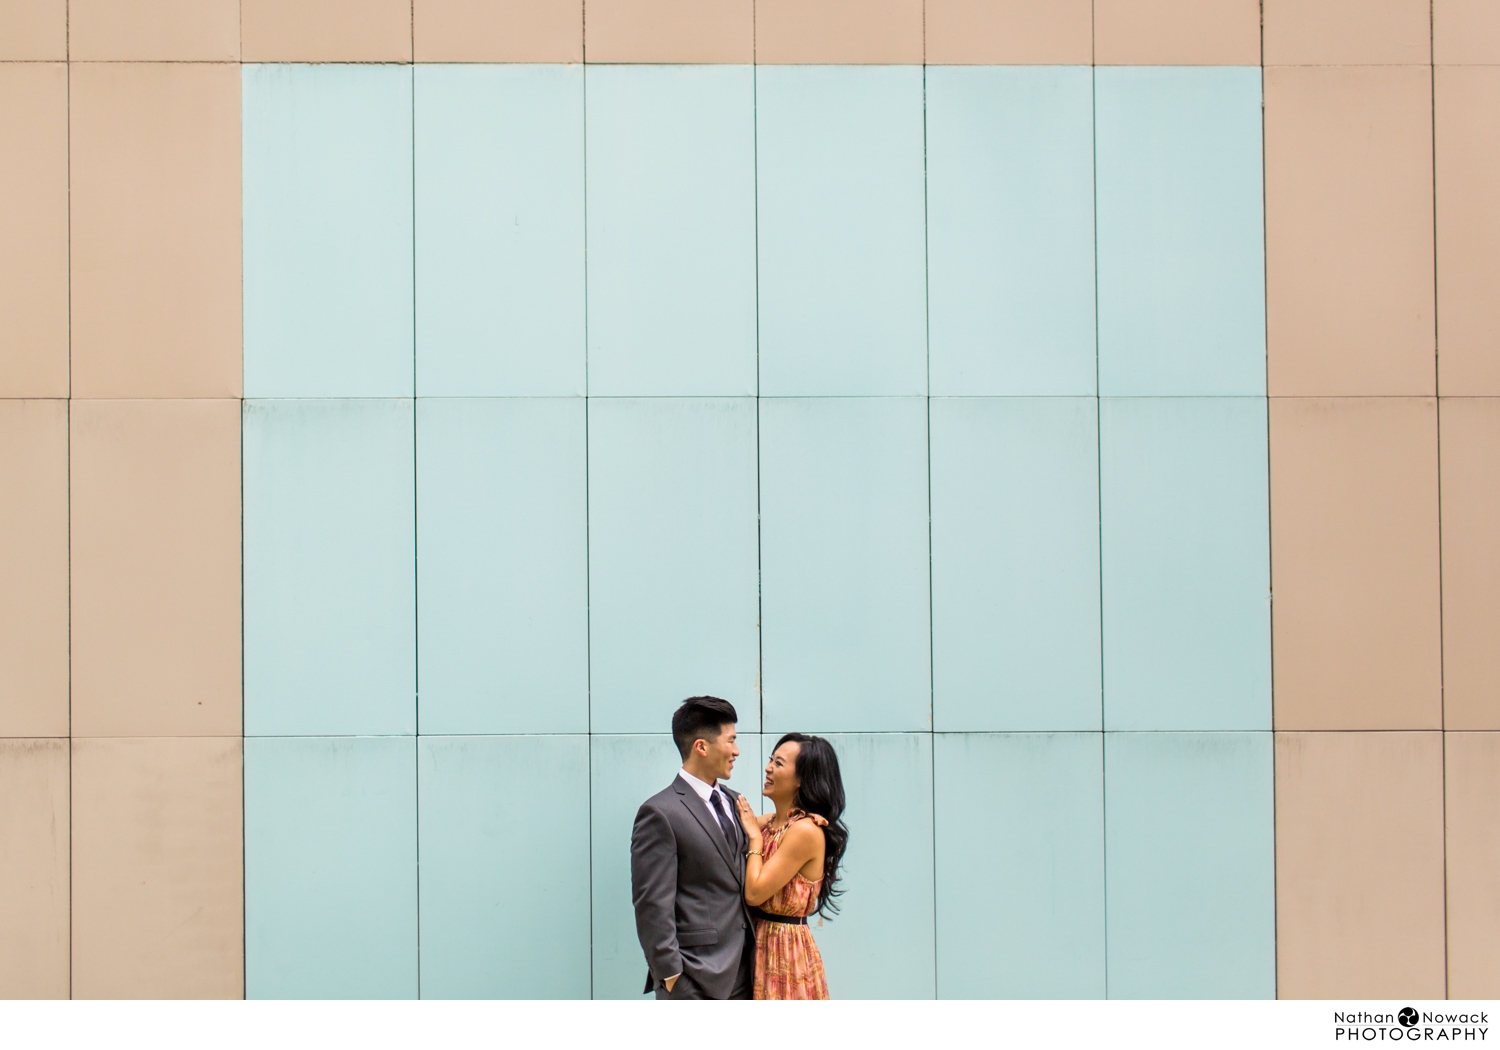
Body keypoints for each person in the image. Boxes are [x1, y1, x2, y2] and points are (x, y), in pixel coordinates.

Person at [631, 696, 756, 1000]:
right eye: (731, 741)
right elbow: (652, 905)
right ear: (702, 746)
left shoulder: (735, 801)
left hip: (747, 973)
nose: (737, 751)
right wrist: (672, 977)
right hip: (694, 980)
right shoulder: (660, 813)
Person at [734, 733, 848, 1000]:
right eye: (771, 760)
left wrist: (753, 839)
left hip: (785, 951)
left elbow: (754, 892)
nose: (768, 768)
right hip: (761, 944)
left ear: (801, 780)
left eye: (779, 763)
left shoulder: (804, 831)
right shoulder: (774, 823)